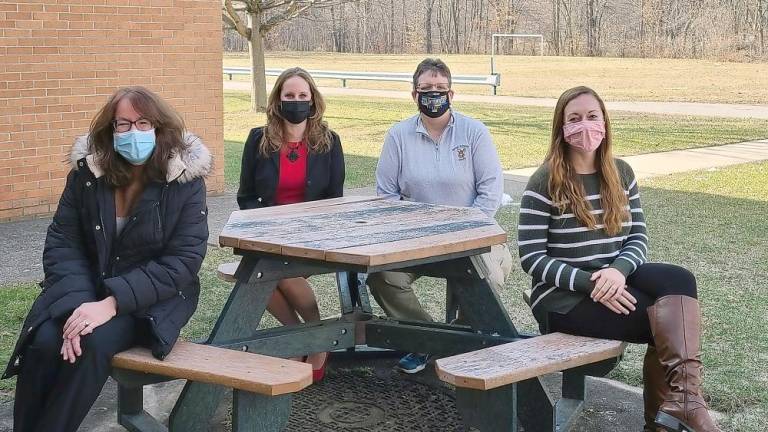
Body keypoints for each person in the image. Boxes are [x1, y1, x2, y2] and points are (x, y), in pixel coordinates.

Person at [3, 86, 210, 432]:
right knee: (43, 341)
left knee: (91, 344)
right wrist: (79, 306)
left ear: (160, 127)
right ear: (110, 131)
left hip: (150, 300)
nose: (134, 132)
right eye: (123, 125)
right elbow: (63, 243)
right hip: (85, 291)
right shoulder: (88, 174)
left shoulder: (184, 180)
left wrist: (110, 304)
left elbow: (183, 261)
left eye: (144, 122)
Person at [517, 86, 721, 432]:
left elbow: (638, 236)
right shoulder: (545, 180)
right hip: (562, 298)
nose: (585, 126)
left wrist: (616, 271)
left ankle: (681, 406)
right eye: (575, 118)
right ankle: (669, 418)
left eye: (593, 116)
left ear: (605, 122)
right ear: (561, 128)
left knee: (680, 281)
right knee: (664, 323)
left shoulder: (621, 173)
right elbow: (531, 257)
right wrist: (591, 281)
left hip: (614, 275)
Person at [368, 58, 513, 374]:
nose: (433, 95)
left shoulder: (474, 133)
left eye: (440, 89)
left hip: (472, 237)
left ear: (451, 94)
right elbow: (387, 197)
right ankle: (429, 342)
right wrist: (418, 232)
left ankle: (461, 346)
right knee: (382, 277)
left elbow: (490, 192)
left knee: (491, 277)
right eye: (426, 89)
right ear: (414, 94)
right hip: (416, 240)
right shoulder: (398, 136)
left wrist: (460, 233)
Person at [237, 67, 344, 382]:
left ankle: (312, 338)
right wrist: (271, 226)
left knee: (274, 269)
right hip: (269, 235)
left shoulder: (329, 142)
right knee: (256, 271)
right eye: (289, 96)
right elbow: (246, 197)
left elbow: (333, 200)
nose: (296, 101)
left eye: (302, 96)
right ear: (277, 101)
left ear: (312, 101)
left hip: (312, 236)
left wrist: (303, 230)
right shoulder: (258, 139)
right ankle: (305, 334)